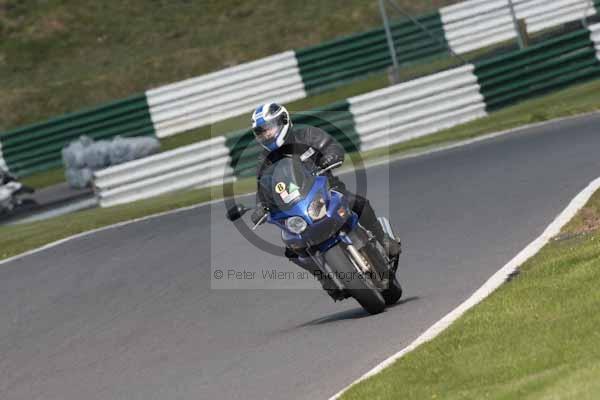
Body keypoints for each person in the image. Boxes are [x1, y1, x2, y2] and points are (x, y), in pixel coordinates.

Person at [248, 102, 401, 300]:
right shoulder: (265, 161)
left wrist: (331, 157)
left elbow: (331, 147)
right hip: (298, 209)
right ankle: (325, 279)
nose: (266, 135)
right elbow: (263, 189)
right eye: (261, 132)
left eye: (268, 129)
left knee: (358, 203)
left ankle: (384, 240)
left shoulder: (307, 135)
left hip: (330, 191)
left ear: (283, 121)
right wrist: (260, 207)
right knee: (292, 248)